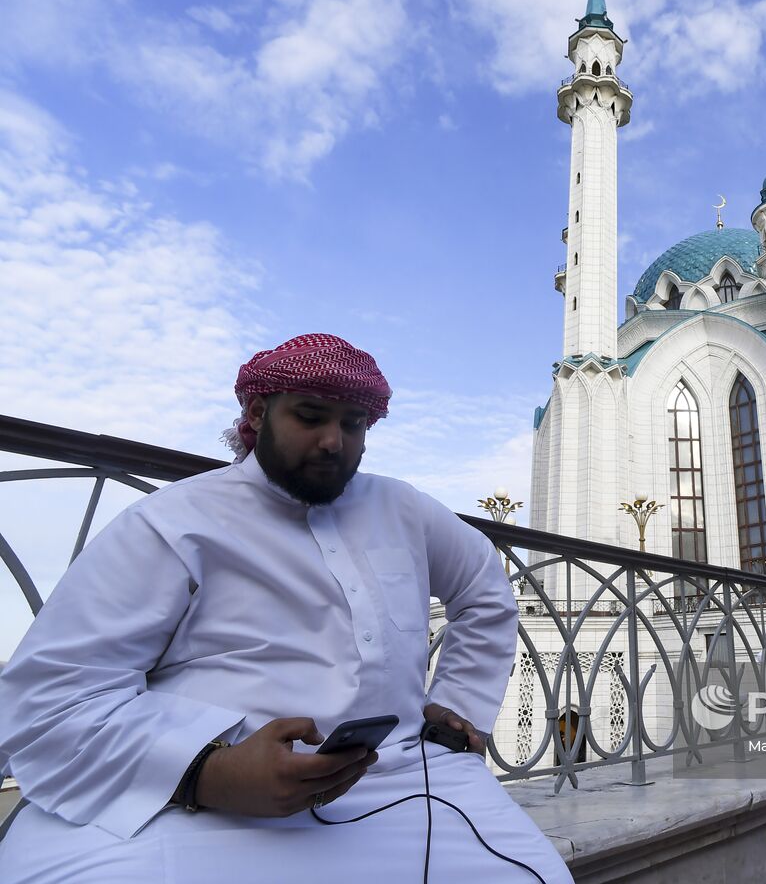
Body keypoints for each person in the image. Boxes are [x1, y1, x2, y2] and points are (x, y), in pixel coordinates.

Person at [0, 334, 572, 883]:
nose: (333, 441)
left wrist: (456, 701)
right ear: (256, 414)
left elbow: (484, 589)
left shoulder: (402, 508)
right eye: (310, 416)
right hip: (192, 803)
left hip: (402, 778)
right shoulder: (175, 522)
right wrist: (207, 772)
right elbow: (50, 697)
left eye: (353, 424)